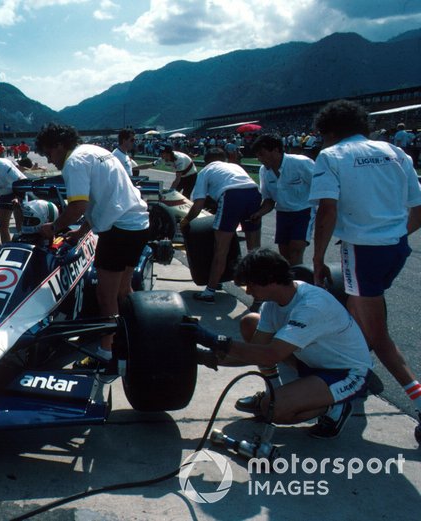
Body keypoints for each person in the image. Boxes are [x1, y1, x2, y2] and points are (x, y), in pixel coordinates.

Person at [309, 99, 421, 442]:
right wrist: (393, 235)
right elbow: (418, 207)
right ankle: (357, 377)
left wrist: (317, 259)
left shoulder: (331, 156)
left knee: (377, 336)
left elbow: (327, 211)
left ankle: (415, 400)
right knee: (360, 319)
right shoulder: (395, 152)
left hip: (362, 251)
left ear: (328, 133)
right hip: (395, 248)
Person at [188, 248, 373, 438]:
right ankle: (275, 392)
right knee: (250, 323)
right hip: (311, 364)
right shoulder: (273, 303)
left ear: (271, 279)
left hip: (346, 373)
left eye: (251, 285)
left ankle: (334, 410)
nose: (248, 291)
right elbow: (256, 350)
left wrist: (212, 339)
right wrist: (203, 356)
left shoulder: (311, 306)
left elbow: (270, 354)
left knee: (272, 411)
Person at [35, 123, 149, 363]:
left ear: (59, 145)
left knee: (105, 295)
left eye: (48, 153)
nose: (49, 159)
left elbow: (78, 206)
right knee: (123, 291)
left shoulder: (74, 163)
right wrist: (79, 233)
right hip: (138, 223)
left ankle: (106, 352)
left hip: (119, 230)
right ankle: (136, 335)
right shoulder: (94, 150)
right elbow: (100, 201)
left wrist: (53, 227)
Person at [179, 148, 261, 302]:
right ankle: (259, 293)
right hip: (253, 193)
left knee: (221, 250)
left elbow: (198, 205)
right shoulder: (236, 166)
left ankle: (210, 291)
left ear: (206, 161)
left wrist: (186, 220)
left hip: (231, 196)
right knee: (254, 251)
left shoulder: (205, 171)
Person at [249, 134, 316, 265]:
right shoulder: (264, 171)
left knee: (296, 250)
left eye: (262, 154)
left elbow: (320, 187)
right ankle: (289, 282)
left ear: (276, 150)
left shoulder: (301, 163)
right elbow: (269, 200)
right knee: (284, 255)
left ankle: (300, 281)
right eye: (257, 155)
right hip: (283, 214)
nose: (259, 159)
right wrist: (259, 213)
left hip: (303, 212)